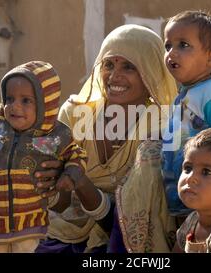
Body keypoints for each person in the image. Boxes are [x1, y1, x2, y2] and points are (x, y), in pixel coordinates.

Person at [34, 24, 178, 253]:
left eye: (129, 67)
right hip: (65, 231)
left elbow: (138, 216)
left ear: (150, 72)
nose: (114, 76)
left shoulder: (162, 126)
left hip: (124, 241)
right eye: (108, 64)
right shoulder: (74, 113)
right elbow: (60, 204)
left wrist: (81, 183)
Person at [0, 61, 87, 253]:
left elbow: (77, 154)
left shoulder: (55, 136)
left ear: (47, 105)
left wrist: (70, 174)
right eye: (9, 99)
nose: (14, 106)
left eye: (26, 100)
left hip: (31, 223)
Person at [161, 10, 211, 216]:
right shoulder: (184, 94)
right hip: (179, 192)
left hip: (202, 196)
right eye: (168, 46)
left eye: (183, 45)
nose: (172, 53)